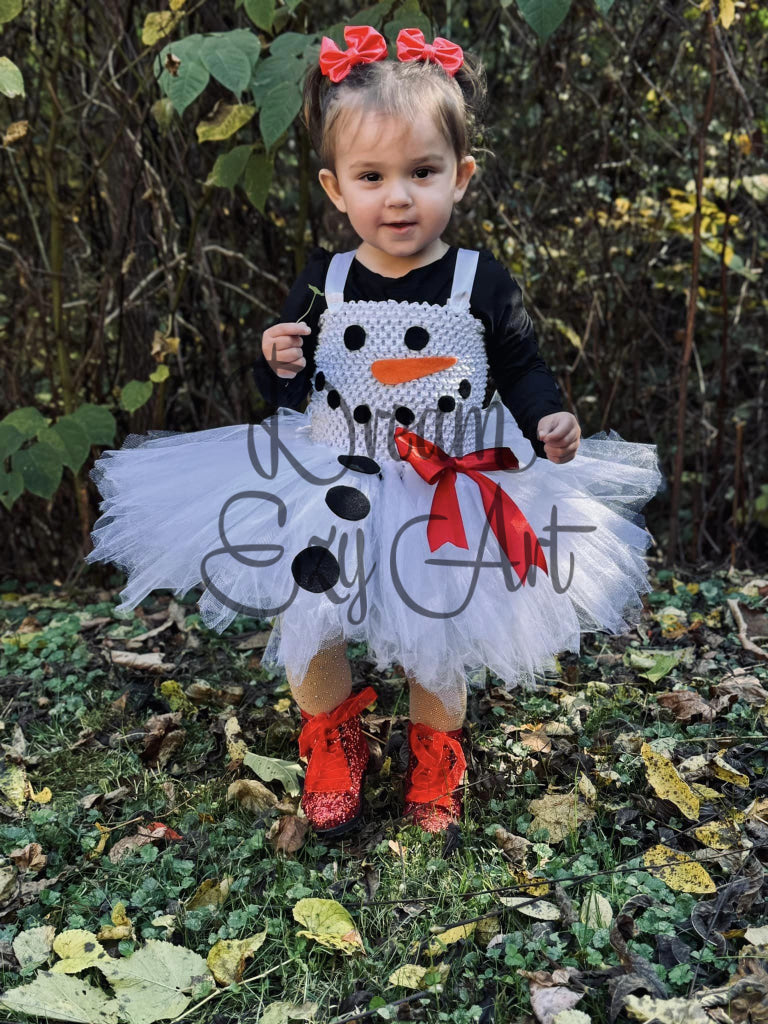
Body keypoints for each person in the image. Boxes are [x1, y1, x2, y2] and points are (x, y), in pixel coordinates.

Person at [85, 25, 664, 840]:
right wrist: (278, 360)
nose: (399, 198)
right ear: (335, 188)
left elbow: (524, 366)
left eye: (422, 173)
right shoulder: (324, 282)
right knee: (314, 615)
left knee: (442, 625)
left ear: (459, 178)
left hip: (448, 484)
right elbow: (286, 389)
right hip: (333, 475)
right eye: (373, 177)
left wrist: (549, 416)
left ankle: (435, 755)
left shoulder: (482, 283)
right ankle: (332, 738)